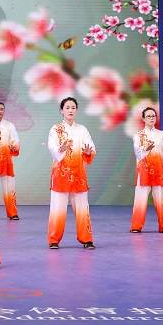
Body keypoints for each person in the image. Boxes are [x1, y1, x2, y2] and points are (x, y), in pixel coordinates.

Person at [47, 97, 96, 250]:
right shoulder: (55, 129)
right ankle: (54, 239)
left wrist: (88, 152)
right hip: (60, 175)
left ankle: (87, 239)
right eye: (67, 107)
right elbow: (53, 150)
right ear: (61, 110)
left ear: (76, 110)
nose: (70, 110)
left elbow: (91, 147)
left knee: (82, 209)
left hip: (79, 175)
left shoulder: (82, 130)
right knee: (57, 209)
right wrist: (61, 149)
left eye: (73, 107)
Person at [131, 107, 163, 234]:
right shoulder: (138, 135)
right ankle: (136, 226)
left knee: (161, 200)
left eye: (153, 116)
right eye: (149, 116)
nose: (152, 118)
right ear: (143, 119)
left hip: (159, 172)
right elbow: (138, 153)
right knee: (140, 200)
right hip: (144, 172)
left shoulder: (162, 135)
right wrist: (146, 149)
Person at [0, 102, 21, 220]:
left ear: (4, 111)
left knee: (10, 188)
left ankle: (13, 213)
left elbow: (15, 140)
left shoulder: (10, 126)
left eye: (1, 109)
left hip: (6, 161)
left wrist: (14, 147)